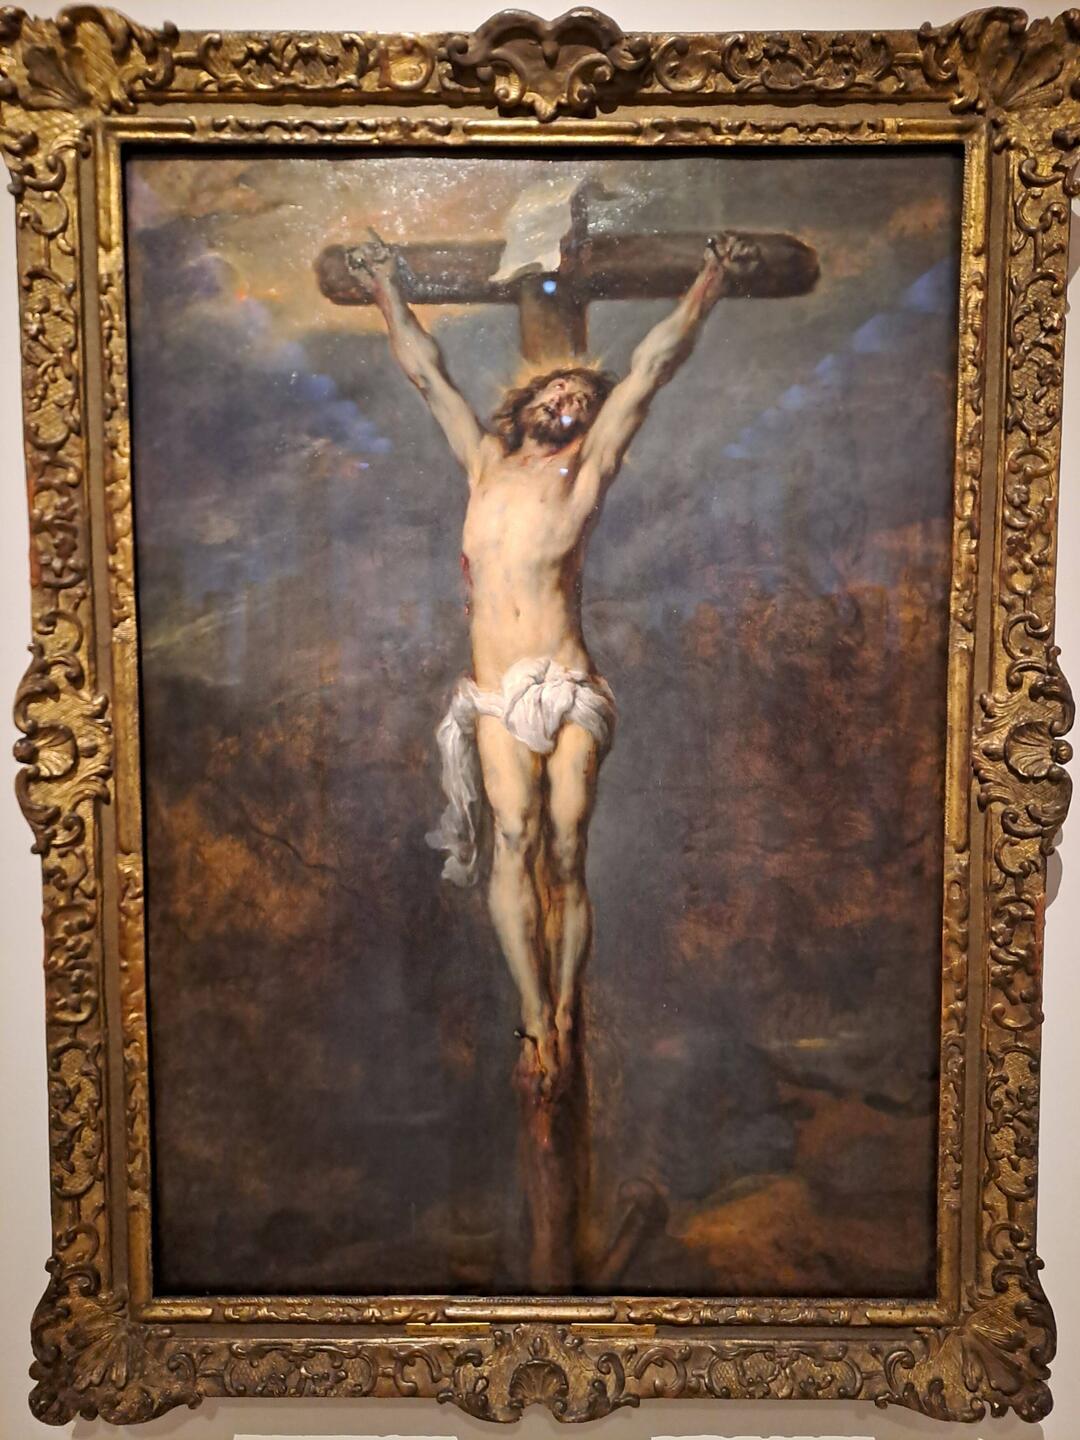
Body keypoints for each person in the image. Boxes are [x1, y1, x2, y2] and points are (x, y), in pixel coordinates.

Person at [351, 228, 760, 1095]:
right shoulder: (483, 465)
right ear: (526, 405)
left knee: (567, 846)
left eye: (581, 393)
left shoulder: (587, 472)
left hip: (566, 687)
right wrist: (386, 285)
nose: (567, 395)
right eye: (554, 388)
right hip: (496, 695)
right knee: (514, 838)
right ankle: (533, 1019)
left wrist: (711, 281)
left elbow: (650, 368)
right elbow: (427, 374)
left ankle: (567, 1008)